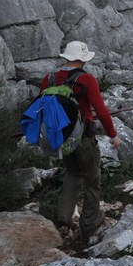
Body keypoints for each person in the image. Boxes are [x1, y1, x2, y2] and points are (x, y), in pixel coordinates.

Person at [41, 41, 121, 242]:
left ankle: (63, 217)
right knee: (93, 180)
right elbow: (101, 111)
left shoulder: (49, 79)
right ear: (83, 59)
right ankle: (88, 226)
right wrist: (113, 135)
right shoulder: (86, 80)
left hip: (62, 138)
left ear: (67, 57)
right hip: (84, 138)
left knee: (72, 173)